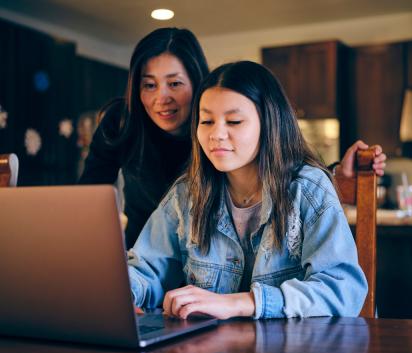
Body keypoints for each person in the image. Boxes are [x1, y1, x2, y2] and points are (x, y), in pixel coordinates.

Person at [79, 27, 386, 249]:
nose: (162, 98)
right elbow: (87, 198)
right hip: (150, 260)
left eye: (174, 83)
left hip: (203, 266)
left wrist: (333, 177)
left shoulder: (220, 137)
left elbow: (281, 171)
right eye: (149, 85)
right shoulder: (123, 124)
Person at [127, 61, 367, 320]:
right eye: (206, 120)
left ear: (270, 123)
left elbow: (343, 290)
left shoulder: (308, 188)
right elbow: (145, 269)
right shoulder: (186, 195)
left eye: (234, 121)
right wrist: (124, 294)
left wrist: (242, 303)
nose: (216, 134)